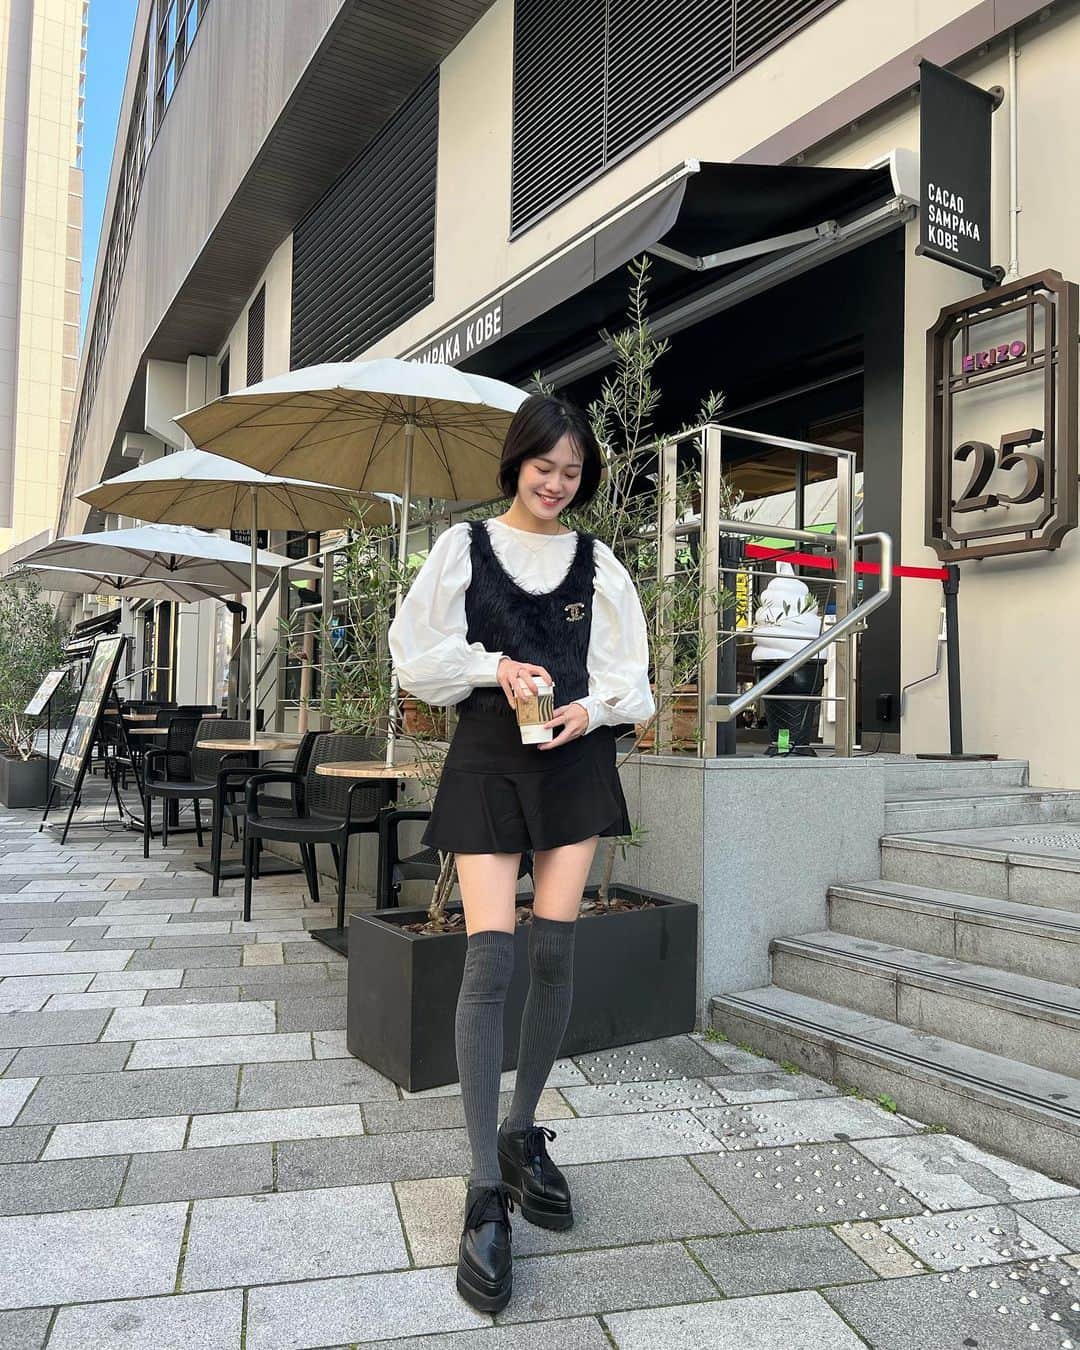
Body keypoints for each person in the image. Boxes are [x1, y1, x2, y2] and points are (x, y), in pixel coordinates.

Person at [388, 393, 654, 1313]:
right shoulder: (463, 548)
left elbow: (631, 678)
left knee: (554, 953)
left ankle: (521, 1128)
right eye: (545, 467)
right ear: (517, 463)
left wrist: (593, 708)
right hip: (489, 761)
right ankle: (481, 1191)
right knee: (489, 961)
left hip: (572, 763)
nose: (557, 484)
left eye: (573, 471)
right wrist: (488, 665)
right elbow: (415, 654)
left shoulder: (598, 561)